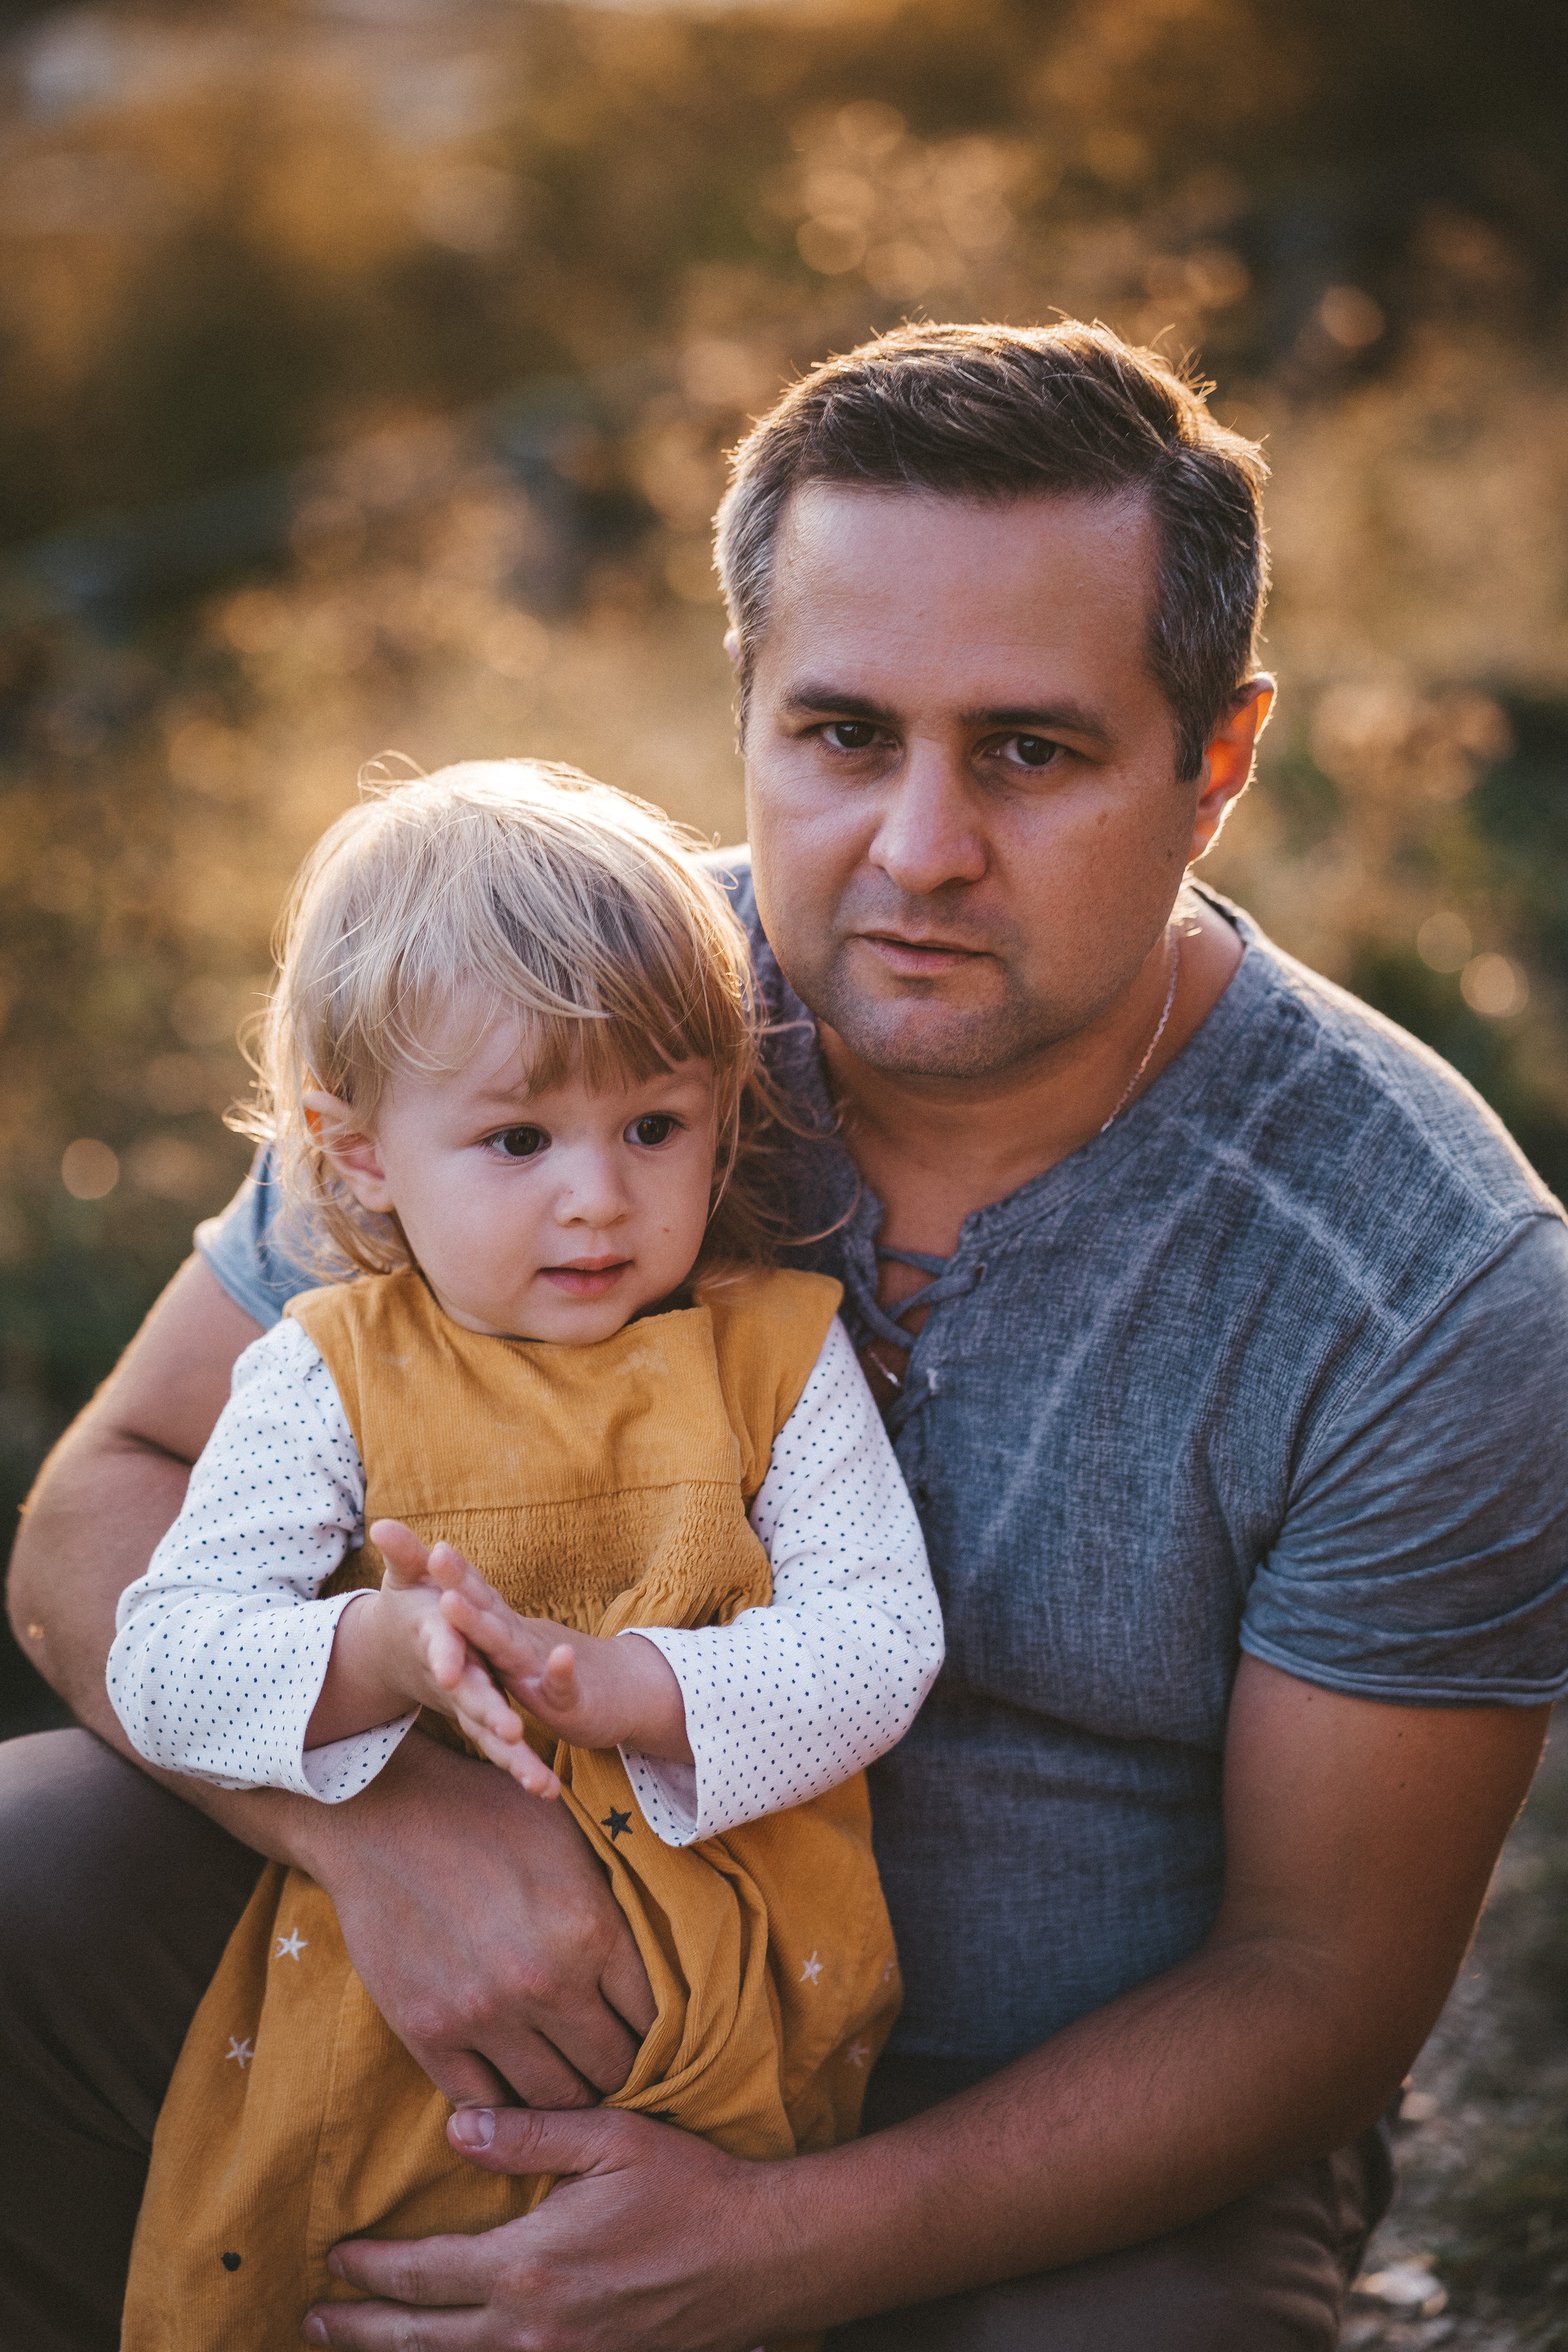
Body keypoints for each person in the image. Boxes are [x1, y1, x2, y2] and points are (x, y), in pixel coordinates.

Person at [5, 320, 1566, 2352]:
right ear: (744, 704)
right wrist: (388, 1831)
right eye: (842, 735)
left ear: (1218, 761)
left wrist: (771, 2251)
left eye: (1030, 748)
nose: (918, 847)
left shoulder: (1423, 1284)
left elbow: (1318, 1993)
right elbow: (93, 1515)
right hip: (442, 1997)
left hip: (1041, 2148)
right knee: (26, 1872)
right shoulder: (540, 1013)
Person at [102, 761, 940, 2347]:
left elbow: (877, 1641)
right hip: (401, 2044)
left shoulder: (773, 1356)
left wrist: (635, 1685)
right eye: (513, 1140)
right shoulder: (328, 1374)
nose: (597, 1199)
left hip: (738, 2023)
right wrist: (378, 1654)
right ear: (355, 1159)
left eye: (652, 1125)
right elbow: (163, 1661)